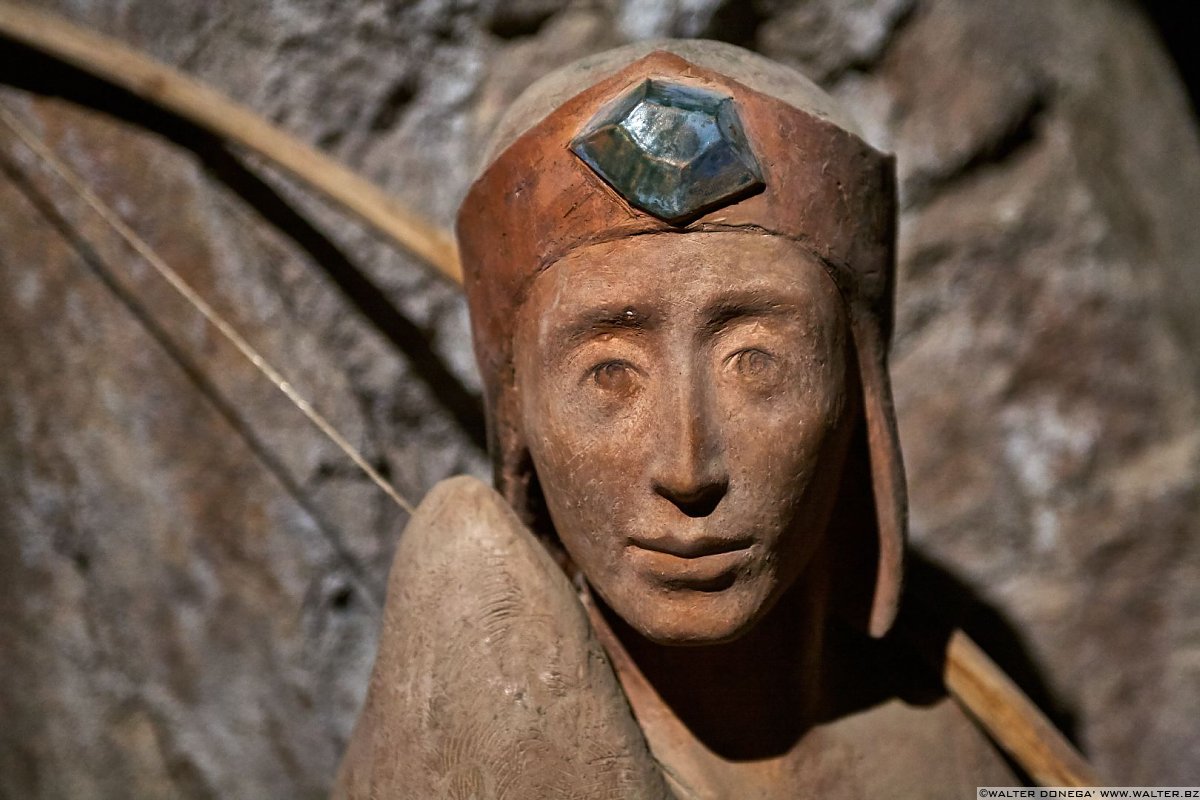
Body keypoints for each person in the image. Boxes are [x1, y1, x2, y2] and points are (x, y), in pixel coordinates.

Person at [333, 39, 1017, 799]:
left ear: (859, 395)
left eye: (756, 361)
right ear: (518, 415)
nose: (688, 470)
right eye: (609, 374)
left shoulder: (947, 756)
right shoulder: (495, 747)